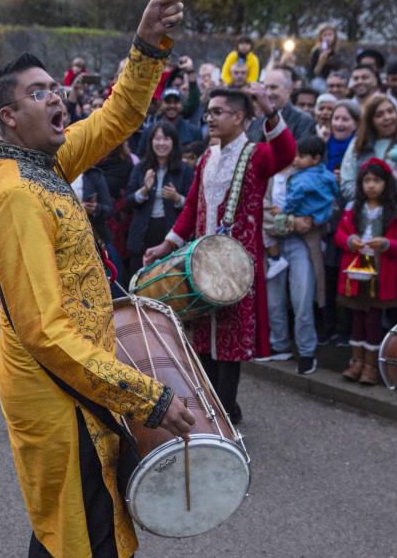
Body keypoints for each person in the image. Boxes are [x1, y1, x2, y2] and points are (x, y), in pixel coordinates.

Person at [0, 0, 197, 558]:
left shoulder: (40, 165)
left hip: (55, 386)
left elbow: (116, 119)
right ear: (8, 117)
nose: (56, 100)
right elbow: (46, 329)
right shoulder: (13, 198)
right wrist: (146, 393)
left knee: (53, 534)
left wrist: (146, 48)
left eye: (54, 88)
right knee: (105, 552)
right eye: (39, 94)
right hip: (59, 393)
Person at [143, 85, 297, 424]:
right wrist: (167, 245)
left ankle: (226, 409)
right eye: (208, 112)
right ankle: (215, 403)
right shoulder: (207, 158)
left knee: (229, 340)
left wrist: (270, 110)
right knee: (201, 334)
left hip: (235, 267)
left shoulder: (256, 155)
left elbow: (286, 154)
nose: (209, 117)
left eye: (217, 112)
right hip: (200, 263)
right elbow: (192, 205)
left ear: (239, 117)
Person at [265, 134, 337, 374]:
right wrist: (292, 222)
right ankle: (279, 344)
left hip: (303, 243)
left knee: (302, 297)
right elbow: (261, 210)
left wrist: (305, 221)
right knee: (274, 300)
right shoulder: (267, 176)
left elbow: (327, 209)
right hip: (271, 241)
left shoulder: (313, 175)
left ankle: (307, 351)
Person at [334, 159, 397, 384]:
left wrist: (385, 243)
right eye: (367, 180)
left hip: (380, 274)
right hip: (355, 274)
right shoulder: (351, 208)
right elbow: (338, 235)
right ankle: (355, 362)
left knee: (373, 319)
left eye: (376, 180)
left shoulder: (395, 212)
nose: (371, 185)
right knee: (356, 317)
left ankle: (370, 366)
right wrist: (349, 240)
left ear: (386, 183)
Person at [125, 123, 193, 278]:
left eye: (166, 139)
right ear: (151, 142)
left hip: (171, 232)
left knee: (170, 281)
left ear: (174, 142)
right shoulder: (141, 168)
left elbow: (192, 205)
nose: (161, 143)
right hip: (143, 232)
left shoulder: (185, 170)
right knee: (141, 280)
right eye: (157, 139)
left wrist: (177, 198)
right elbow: (127, 202)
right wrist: (144, 191)